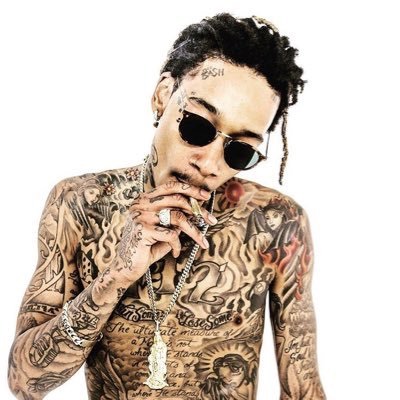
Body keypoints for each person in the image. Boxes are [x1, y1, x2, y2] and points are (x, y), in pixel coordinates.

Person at [8, 12, 326, 400]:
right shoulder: (80, 205)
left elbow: (303, 389)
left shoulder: (276, 223)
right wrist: (116, 276)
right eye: (197, 126)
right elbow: (25, 382)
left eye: (240, 151)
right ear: (162, 96)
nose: (209, 163)